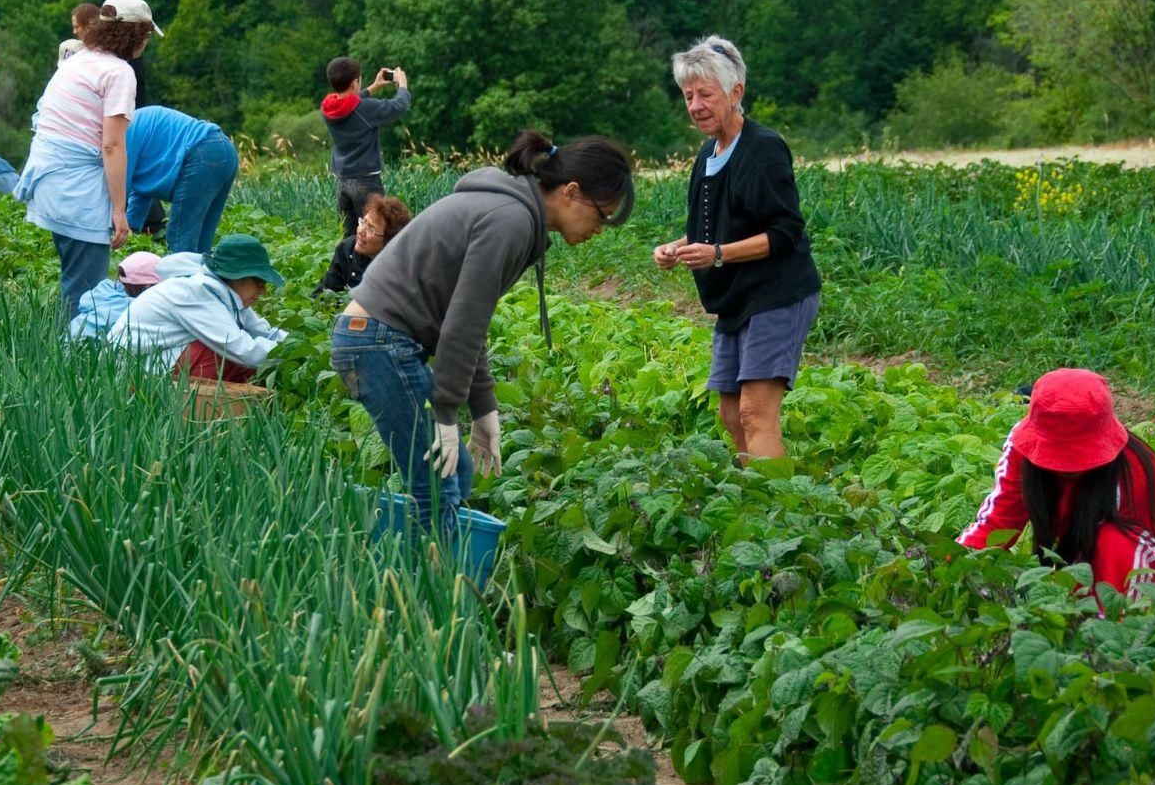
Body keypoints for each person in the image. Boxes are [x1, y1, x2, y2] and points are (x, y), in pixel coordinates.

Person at [330, 130, 634, 541]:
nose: (601, 228)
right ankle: (430, 595)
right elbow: (462, 323)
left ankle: (425, 570)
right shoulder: (510, 221)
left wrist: (484, 409)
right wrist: (447, 414)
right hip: (378, 341)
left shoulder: (513, 214)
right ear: (571, 192)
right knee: (435, 485)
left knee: (457, 471)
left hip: (377, 338)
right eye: (602, 214)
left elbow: (468, 317)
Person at [652, 35, 820, 463]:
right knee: (730, 413)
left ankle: (776, 512)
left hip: (777, 292)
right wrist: (677, 247)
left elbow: (785, 233)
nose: (695, 105)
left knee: (754, 411)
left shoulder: (763, 149)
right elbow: (712, 230)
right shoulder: (710, 152)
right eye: (688, 96)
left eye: (705, 94)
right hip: (737, 297)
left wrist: (719, 254)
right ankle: (755, 496)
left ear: (736, 92)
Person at [958, 368, 1155, 597]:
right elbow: (996, 526)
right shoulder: (1023, 450)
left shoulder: (1134, 468)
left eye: (1076, 453)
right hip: (1080, 571)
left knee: (1111, 542)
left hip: (1139, 586)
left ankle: (1106, 628)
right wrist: (950, 565)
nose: (1066, 466)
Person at [16, 0, 156, 321]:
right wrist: (120, 212)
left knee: (74, 283)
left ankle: (59, 353)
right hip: (77, 191)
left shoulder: (79, 59)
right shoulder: (118, 72)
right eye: (147, 34)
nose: (147, 42)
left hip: (51, 181)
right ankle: (72, 362)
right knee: (86, 295)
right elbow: (112, 145)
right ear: (133, 33)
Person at [107, 234, 288, 381]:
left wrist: (300, 343)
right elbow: (244, 350)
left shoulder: (226, 294)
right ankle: (194, 411)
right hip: (128, 373)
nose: (263, 290)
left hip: (159, 357)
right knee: (217, 352)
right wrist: (291, 353)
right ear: (236, 277)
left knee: (235, 356)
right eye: (258, 282)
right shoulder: (195, 294)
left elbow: (263, 332)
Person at [124, 105, 239, 255]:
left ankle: (182, 277)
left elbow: (118, 191)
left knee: (180, 242)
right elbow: (141, 191)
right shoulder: (135, 125)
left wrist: (115, 229)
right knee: (201, 245)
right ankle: (200, 276)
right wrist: (131, 228)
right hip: (224, 152)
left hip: (202, 152)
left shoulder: (120, 136)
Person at [322, 56, 411, 237]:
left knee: (351, 239)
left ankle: (349, 266)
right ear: (355, 83)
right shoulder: (366, 109)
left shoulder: (328, 109)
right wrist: (402, 85)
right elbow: (398, 106)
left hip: (342, 182)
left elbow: (349, 104)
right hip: (366, 182)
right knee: (374, 235)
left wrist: (373, 87)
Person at [315, 194, 413, 295]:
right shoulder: (346, 249)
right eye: (363, 222)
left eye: (371, 229)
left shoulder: (402, 268)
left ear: (388, 240)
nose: (361, 231)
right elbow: (323, 294)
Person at [69, 249, 161, 340]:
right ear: (148, 286)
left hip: (66, 343)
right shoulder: (129, 308)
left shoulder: (105, 291)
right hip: (84, 351)